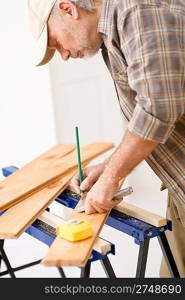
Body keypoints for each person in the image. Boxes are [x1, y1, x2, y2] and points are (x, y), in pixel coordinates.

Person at [28, 0, 185, 277]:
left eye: (55, 42)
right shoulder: (112, 35)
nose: (63, 55)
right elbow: (145, 112)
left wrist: (112, 176)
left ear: (68, 9)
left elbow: (158, 110)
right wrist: (108, 166)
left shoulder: (137, 11)